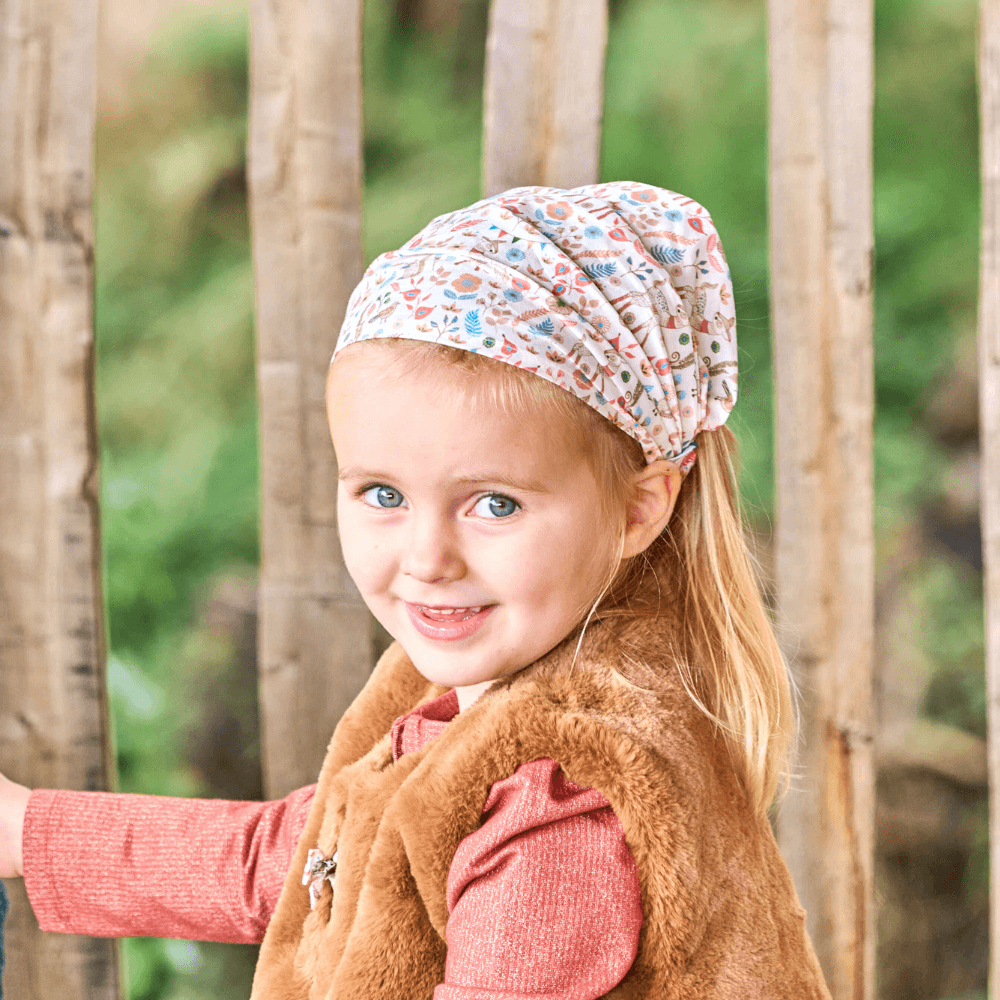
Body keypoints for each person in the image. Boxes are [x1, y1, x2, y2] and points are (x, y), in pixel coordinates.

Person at [0, 182, 832, 997]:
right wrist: (24, 830)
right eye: (383, 495)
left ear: (639, 507)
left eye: (494, 504)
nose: (428, 558)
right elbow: (306, 860)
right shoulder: (478, 692)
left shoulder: (561, 812)